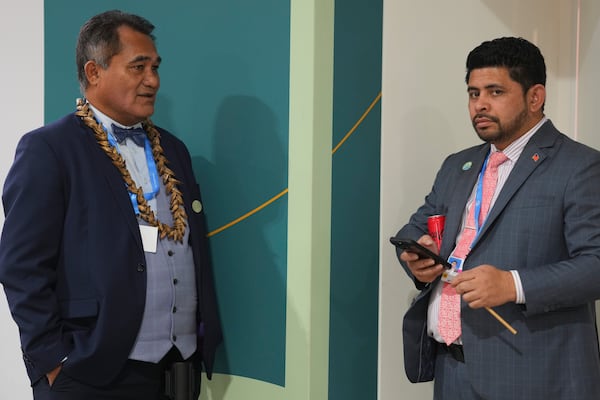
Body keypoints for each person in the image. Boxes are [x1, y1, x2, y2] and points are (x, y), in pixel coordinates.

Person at [0, 10, 222, 400]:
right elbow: (20, 266)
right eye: (138, 67)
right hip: (89, 372)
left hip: (176, 370)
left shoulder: (174, 150)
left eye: (154, 67)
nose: (152, 80)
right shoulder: (49, 149)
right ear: (94, 71)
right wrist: (53, 360)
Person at [393, 37, 600, 399]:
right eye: (474, 93)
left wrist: (512, 285)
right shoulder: (457, 165)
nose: (480, 105)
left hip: (534, 375)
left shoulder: (580, 166)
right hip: (451, 368)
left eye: (495, 91)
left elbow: (596, 265)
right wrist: (417, 256)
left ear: (535, 97)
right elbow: (417, 227)